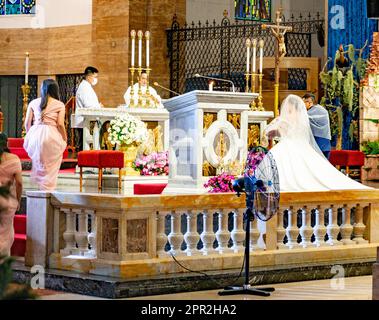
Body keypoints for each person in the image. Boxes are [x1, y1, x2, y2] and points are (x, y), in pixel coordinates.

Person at [262, 94, 371, 192]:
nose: (287, 111)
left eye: (289, 109)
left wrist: (275, 127)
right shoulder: (302, 116)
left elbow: (284, 129)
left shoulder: (309, 113)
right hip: (296, 143)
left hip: (296, 144)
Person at [23, 79, 67, 191]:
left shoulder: (33, 102)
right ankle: (48, 190)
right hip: (51, 135)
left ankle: (41, 190)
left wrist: (30, 135)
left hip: (36, 134)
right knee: (51, 164)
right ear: (55, 90)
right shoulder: (59, 104)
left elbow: (27, 123)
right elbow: (60, 124)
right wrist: (65, 138)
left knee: (40, 162)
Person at [0, 133, 23, 257]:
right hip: (7, 200)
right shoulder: (13, 158)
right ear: (6, 143)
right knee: (6, 233)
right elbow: (19, 183)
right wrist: (18, 200)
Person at [74, 66, 103, 150]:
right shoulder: (84, 88)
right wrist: (98, 106)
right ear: (89, 76)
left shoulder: (87, 86)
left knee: (86, 145)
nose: (96, 79)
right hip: (85, 121)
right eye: (95, 77)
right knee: (84, 146)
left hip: (88, 120)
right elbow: (88, 105)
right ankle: (82, 162)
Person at [302, 93, 332, 159]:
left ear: (309, 102)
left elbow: (302, 119)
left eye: (303, 102)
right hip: (325, 143)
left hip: (319, 142)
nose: (302, 105)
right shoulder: (322, 109)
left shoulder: (314, 111)